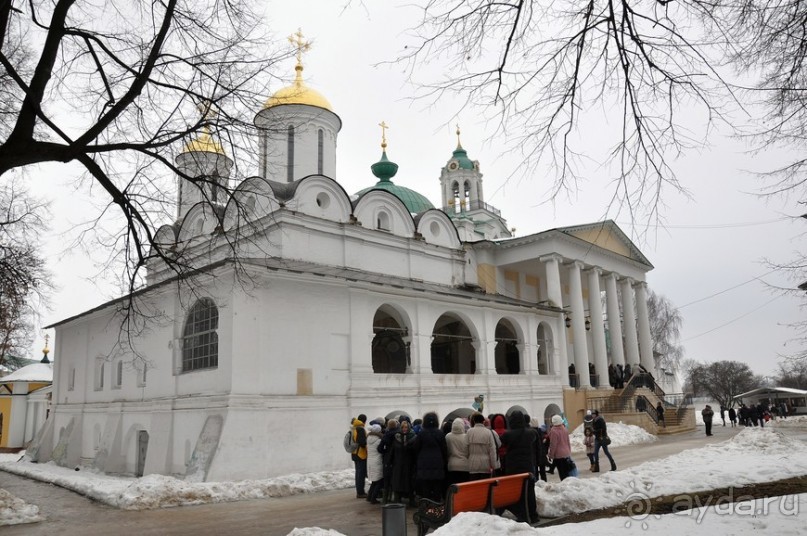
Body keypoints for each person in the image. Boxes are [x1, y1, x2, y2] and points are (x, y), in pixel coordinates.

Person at [501, 411, 540, 523]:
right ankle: (533, 515)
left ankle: (523, 515)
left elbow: (501, 444)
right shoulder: (531, 433)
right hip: (528, 466)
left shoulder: (507, 435)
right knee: (530, 492)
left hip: (513, 468)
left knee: (517, 493)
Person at [412, 412, 448, 503]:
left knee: (425, 489)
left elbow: (415, 448)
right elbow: (444, 449)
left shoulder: (421, 434)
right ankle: (437, 507)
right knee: (437, 488)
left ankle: (426, 507)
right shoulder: (440, 433)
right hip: (438, 463)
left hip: (423, 464)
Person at [389, 419, 416, 504]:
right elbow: (392, 451)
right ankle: (398, 499)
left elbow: (415, 451)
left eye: (406, 427)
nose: (405, 429)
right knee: (398, 482)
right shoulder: (397, 437)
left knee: (410, 482)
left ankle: (411, 500)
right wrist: (390, 461)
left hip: (409, 464)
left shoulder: (413, 437)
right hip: (398, 463)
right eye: (403, 427)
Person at [467, 412, 497, 480]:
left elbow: (466, 448)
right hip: (485, 465)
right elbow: (492, 450)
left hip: (473, 464)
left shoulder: (469, 432)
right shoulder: (488, 432)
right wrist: (494, 465)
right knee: (485, 487)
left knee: (474, 487)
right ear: (483, 421)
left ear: (474, 421)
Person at [547, 414, 576, 480]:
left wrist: (551, 455)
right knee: (567, 472)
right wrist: (569, 451)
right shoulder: (565, 429)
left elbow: (553, 444)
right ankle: (568, 486)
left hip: (559, 455)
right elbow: (568, 442)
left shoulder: (553, 431)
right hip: (566, 454)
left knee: (562, 474)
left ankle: (565, 486)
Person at [445, 417, 470, 486]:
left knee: (453, 488)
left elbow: (447, 451)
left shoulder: (448, 436)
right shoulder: (466, 437)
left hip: (452, 465)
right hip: (465, 466)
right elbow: (468, 452)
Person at [365, 423, 385, 504]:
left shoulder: (368, 438)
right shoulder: (379, 440)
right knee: (379, 481)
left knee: (374, 480)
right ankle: (373, 498)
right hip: (377, 461)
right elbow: (381, 450)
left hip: (370, 461)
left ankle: (369, 496)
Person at [351, 414, 368, 498]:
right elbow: (362, 442)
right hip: (361, 454)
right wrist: (367, 443)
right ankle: (360, 492)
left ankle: (359, 491)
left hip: (354, 453)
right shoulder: (360, 429)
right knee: (361, 474)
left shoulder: (354, 428)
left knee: (358, 473)